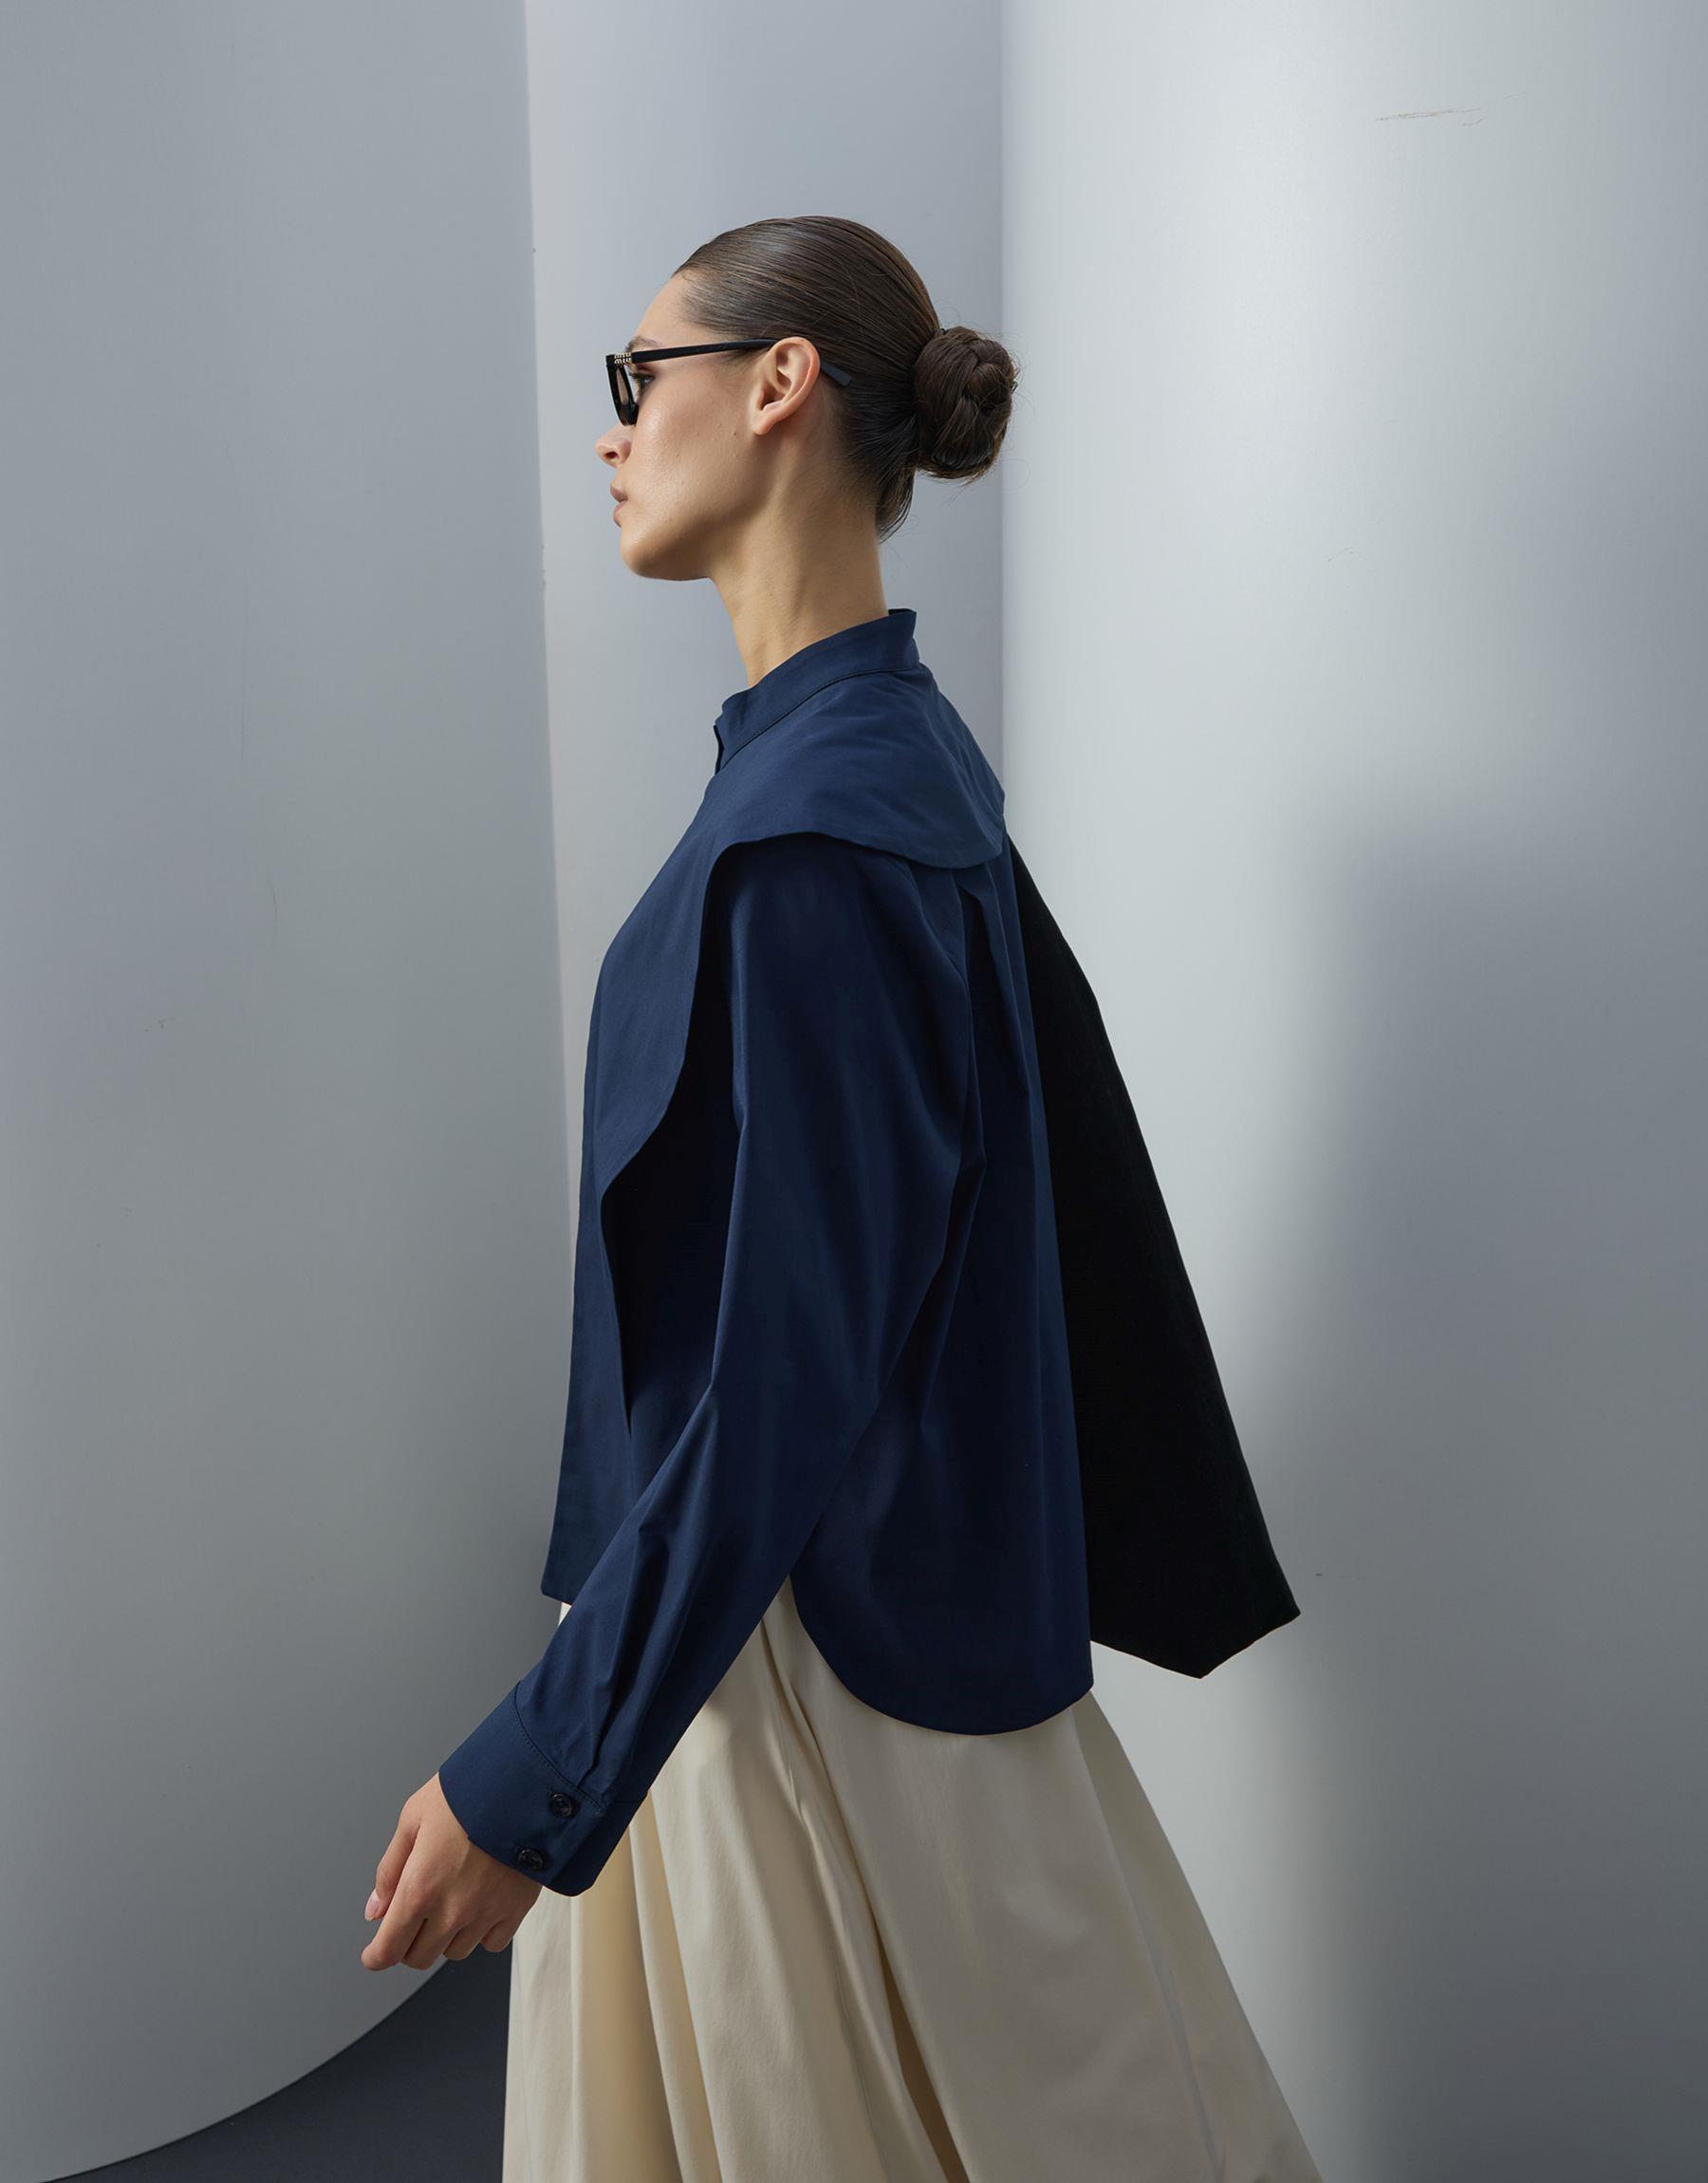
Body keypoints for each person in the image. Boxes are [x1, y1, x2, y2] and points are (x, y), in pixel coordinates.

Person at [360, 214, 1322, 2183]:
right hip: (817, 1639)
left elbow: (784, 1382)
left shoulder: (816, 833)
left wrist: (534, 1772)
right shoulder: (883, 772)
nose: (613, 433)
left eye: (640, 380)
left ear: (778, 383)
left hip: (795, 1684)